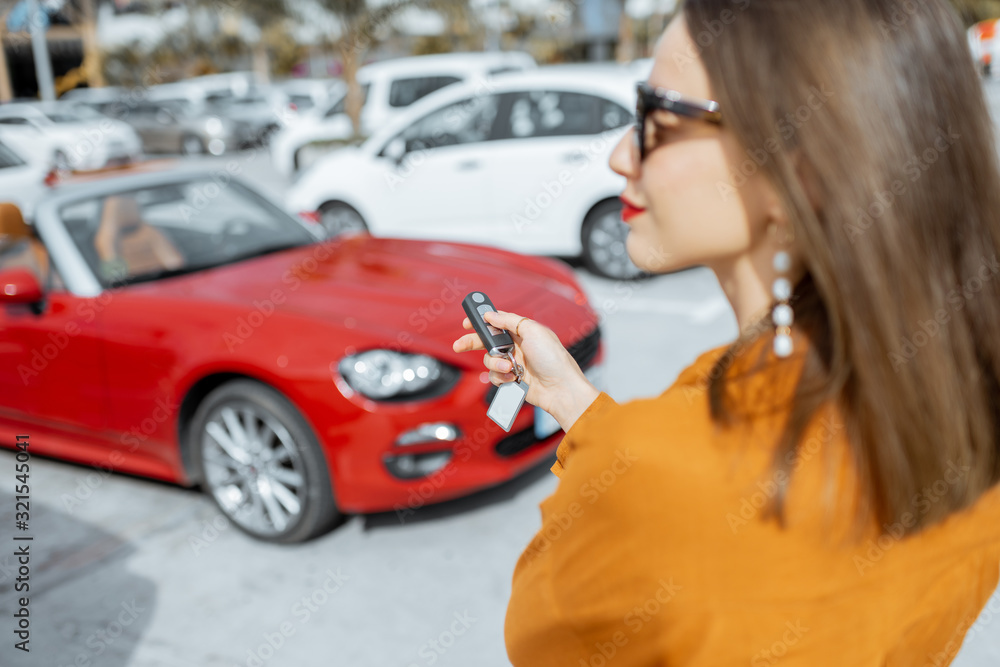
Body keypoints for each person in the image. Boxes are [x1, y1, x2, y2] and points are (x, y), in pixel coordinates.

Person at [453, 0, 1000, 664]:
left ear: (799, 173)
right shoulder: (965, 389)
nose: (622, 155)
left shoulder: (661, 484)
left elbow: (540, 639)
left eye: (657, 119)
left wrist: (607, 458)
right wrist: (576, 404)